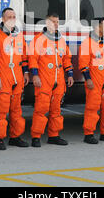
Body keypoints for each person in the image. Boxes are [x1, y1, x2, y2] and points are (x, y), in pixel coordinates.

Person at [29, 13, 74, 147]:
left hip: (58, 80)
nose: (55, 24)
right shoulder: (38, 39)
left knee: (56, 110)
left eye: (57, 22)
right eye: (52, 22)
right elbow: (33, 59)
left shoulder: (61, 40)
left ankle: (54, 135)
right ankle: (36, 137)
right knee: (41, 109)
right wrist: (35, 75)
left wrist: (70, 74)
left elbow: (66, 58)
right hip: (44, 80)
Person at [0, 7, 30, 150]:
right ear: (3, 19)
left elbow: (24, 57)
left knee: (16, 110)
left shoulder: (18, 36)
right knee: (1, 110)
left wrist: (25, 73)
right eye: (9, 16)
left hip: (17, 78)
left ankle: (15, 136)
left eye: (14, 16)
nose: (12, 19)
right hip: (3, 78)